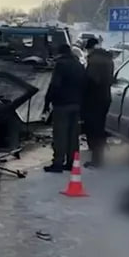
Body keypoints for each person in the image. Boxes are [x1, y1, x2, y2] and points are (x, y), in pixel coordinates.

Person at [43, 43, 86, 173]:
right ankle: (71, 162)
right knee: (73, 136)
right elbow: (85, 85)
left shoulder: (61, 65)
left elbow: (55, 85)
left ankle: (57, 163)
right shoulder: (79, 65)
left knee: (60, 135)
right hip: (76, 105)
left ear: (60, 53)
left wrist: (47, 101)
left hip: (62, 105)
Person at [82, 37, 115, 168]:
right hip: (105, 97)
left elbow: (91, 80)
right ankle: (99, 157)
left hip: (93, 99)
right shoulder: (108, 59)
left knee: (94, 130)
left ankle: (97, 160)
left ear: (90, 48)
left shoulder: (94, 60)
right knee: (100, 129)